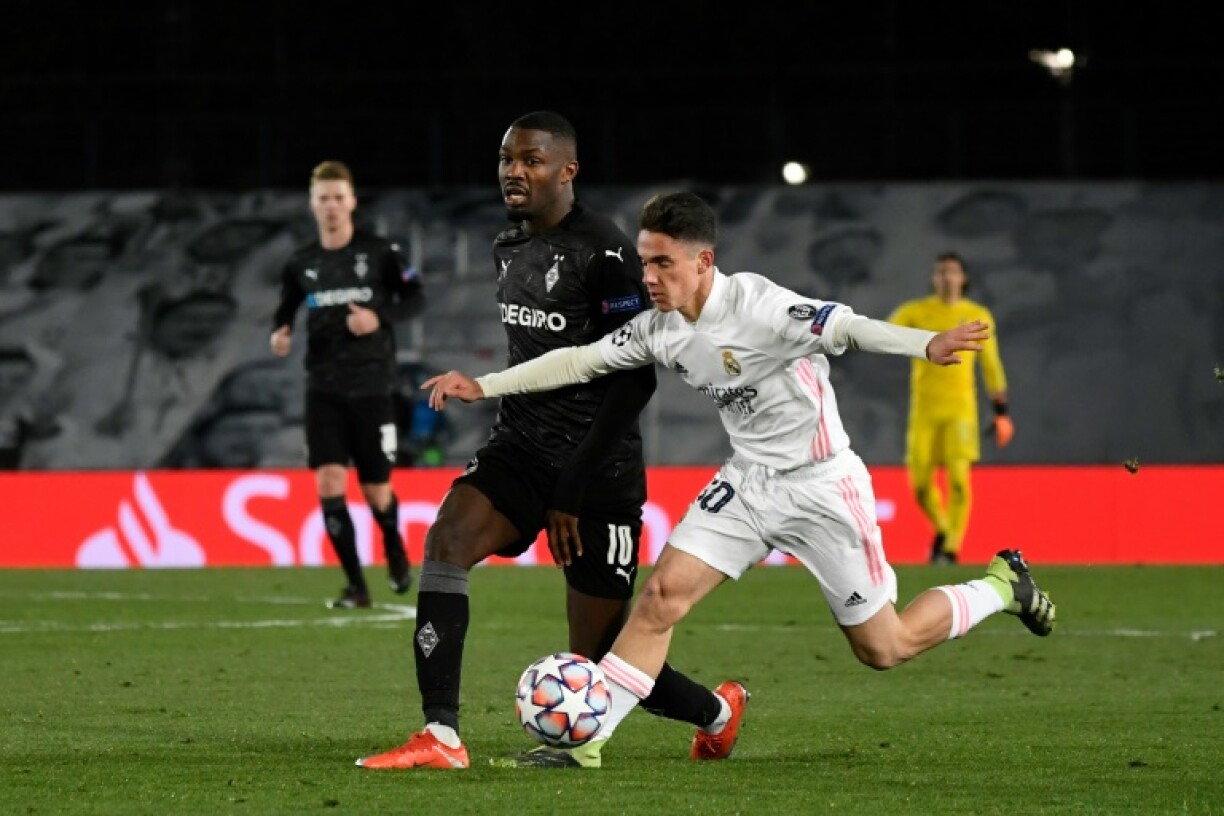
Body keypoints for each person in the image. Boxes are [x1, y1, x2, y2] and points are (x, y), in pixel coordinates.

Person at [421, 191, 1056, 761]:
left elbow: (845, 326)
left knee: (884, 646)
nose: (648, 277)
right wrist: (485, 385)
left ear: (703, 262)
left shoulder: (762, 307)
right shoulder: (661, 328)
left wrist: (926, 344)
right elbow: (581, 360)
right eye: (644, 263)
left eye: (662, 264)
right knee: (660, 599)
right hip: (748, 484)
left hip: (821, 486)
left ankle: (1003, 586)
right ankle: (588, 740)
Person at [356, 113, 744, 771]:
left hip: (599, 471)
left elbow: (634, 382)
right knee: (447, 540)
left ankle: (718, 713)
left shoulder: (610, 254)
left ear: (567, 170)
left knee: (602, 661)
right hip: (522, 446)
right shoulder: (508, 245)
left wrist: (573, 486)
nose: (515, 171)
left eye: (532, 160)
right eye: (508, 158)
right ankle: (441, 736)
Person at [270, 160, 424, 608]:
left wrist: (378, 317)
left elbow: (417, 297)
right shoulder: (302, 262)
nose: (332, 206)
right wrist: (280, 332)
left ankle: (393, 545)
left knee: (377, 489)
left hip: (374, 387)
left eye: (339, 197)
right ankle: (356, 586)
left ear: (352, 201)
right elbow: (286, 310)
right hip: (323, 388)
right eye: (324, 199)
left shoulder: (380, 252)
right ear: (313, 205)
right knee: (329, 482)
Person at [887, 253, 1012, 564]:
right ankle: (943, 530)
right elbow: (884, 333)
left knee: (958, 480)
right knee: (919, 485)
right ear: (934, 278)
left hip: (961, 412)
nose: (946, 278)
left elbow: (991, 363)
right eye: (940, 272)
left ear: (963, 278)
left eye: (952, 272)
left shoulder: (976, 315)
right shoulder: (916, 312)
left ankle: (951, 548)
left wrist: (1001, 411)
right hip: (924, 412)